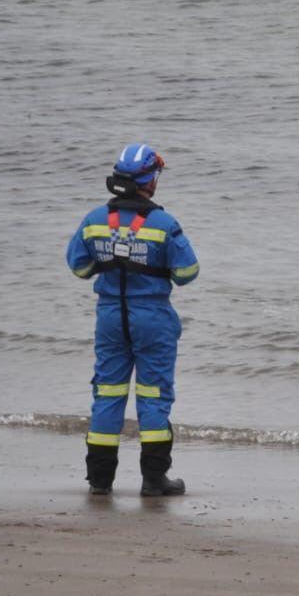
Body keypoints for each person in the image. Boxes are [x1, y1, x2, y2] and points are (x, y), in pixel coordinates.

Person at [65, 143, 200, 496]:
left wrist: (107, 263)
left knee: (107, 393)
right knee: (154, 395)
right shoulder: (164, 223)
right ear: (149, 179)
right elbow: (188, 272)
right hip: (152, 317)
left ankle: (99, 480)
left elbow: (78, 266)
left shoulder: (94, 220)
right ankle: (154, 480)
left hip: (110, 317)